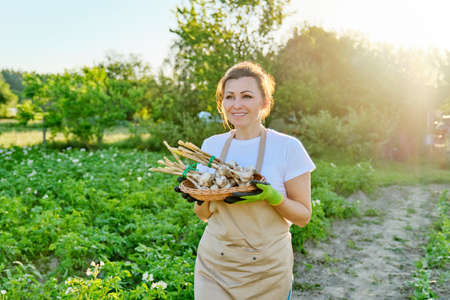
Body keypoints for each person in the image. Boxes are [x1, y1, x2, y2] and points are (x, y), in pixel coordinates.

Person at [176, 61, 315, 299]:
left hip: (267, 269)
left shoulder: (288, 148)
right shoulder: (212, 146)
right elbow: (204, 215)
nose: (237, 104)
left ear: (265, 102)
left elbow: (303, 216)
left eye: (247, 96)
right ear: (222, 104)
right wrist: (198, 196)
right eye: (229, 97)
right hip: (215, 264)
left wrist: (273, 197)